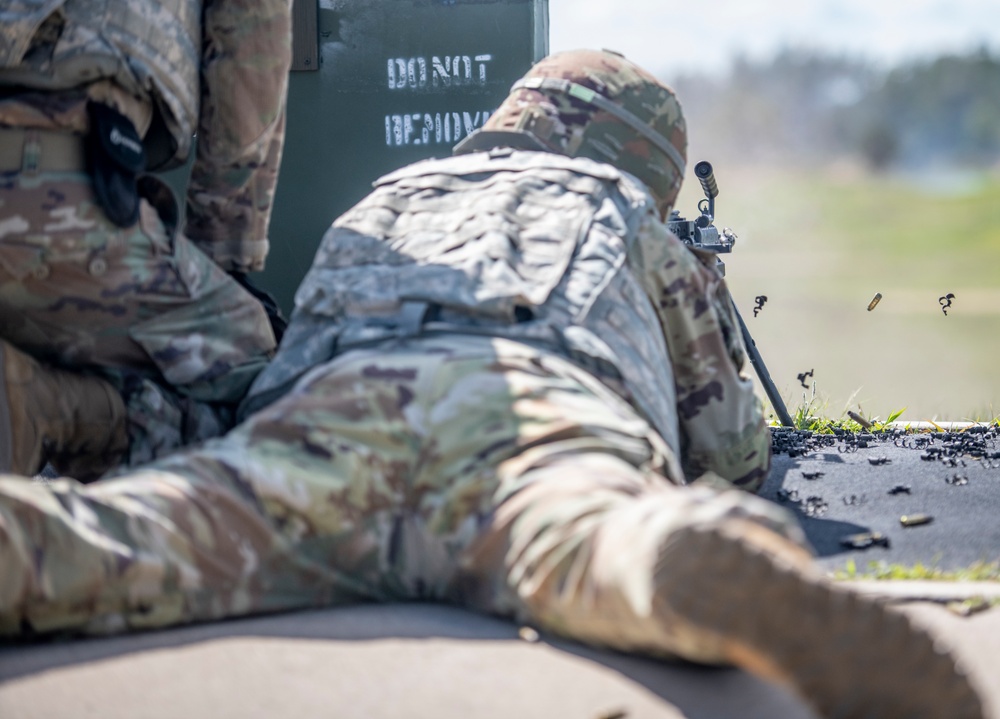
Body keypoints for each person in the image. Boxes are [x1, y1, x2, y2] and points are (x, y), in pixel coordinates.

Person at [0, 50, 984, 718]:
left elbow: (281, 373)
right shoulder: (615, 206)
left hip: (334, 421)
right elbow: (729, 450)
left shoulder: (384, 198)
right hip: (535, 420)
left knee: (130, 537)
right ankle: (681, 565)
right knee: (600, 542)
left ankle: (27, 533)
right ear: (641, 157)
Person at [0, 0, 293, 479]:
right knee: (260, 385)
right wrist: (225, 252)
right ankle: (47, 409)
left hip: (66, 185)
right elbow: (252, 35)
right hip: (50, 188)